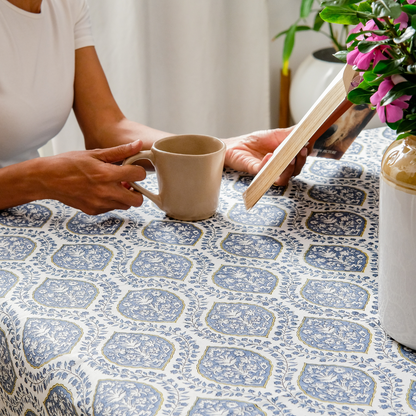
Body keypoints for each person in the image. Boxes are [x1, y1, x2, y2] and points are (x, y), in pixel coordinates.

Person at [0, 0, 308, 215]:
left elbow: (105, 127)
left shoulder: (65, 5)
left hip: (23, 211)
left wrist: (223, 149)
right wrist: (39, 178)